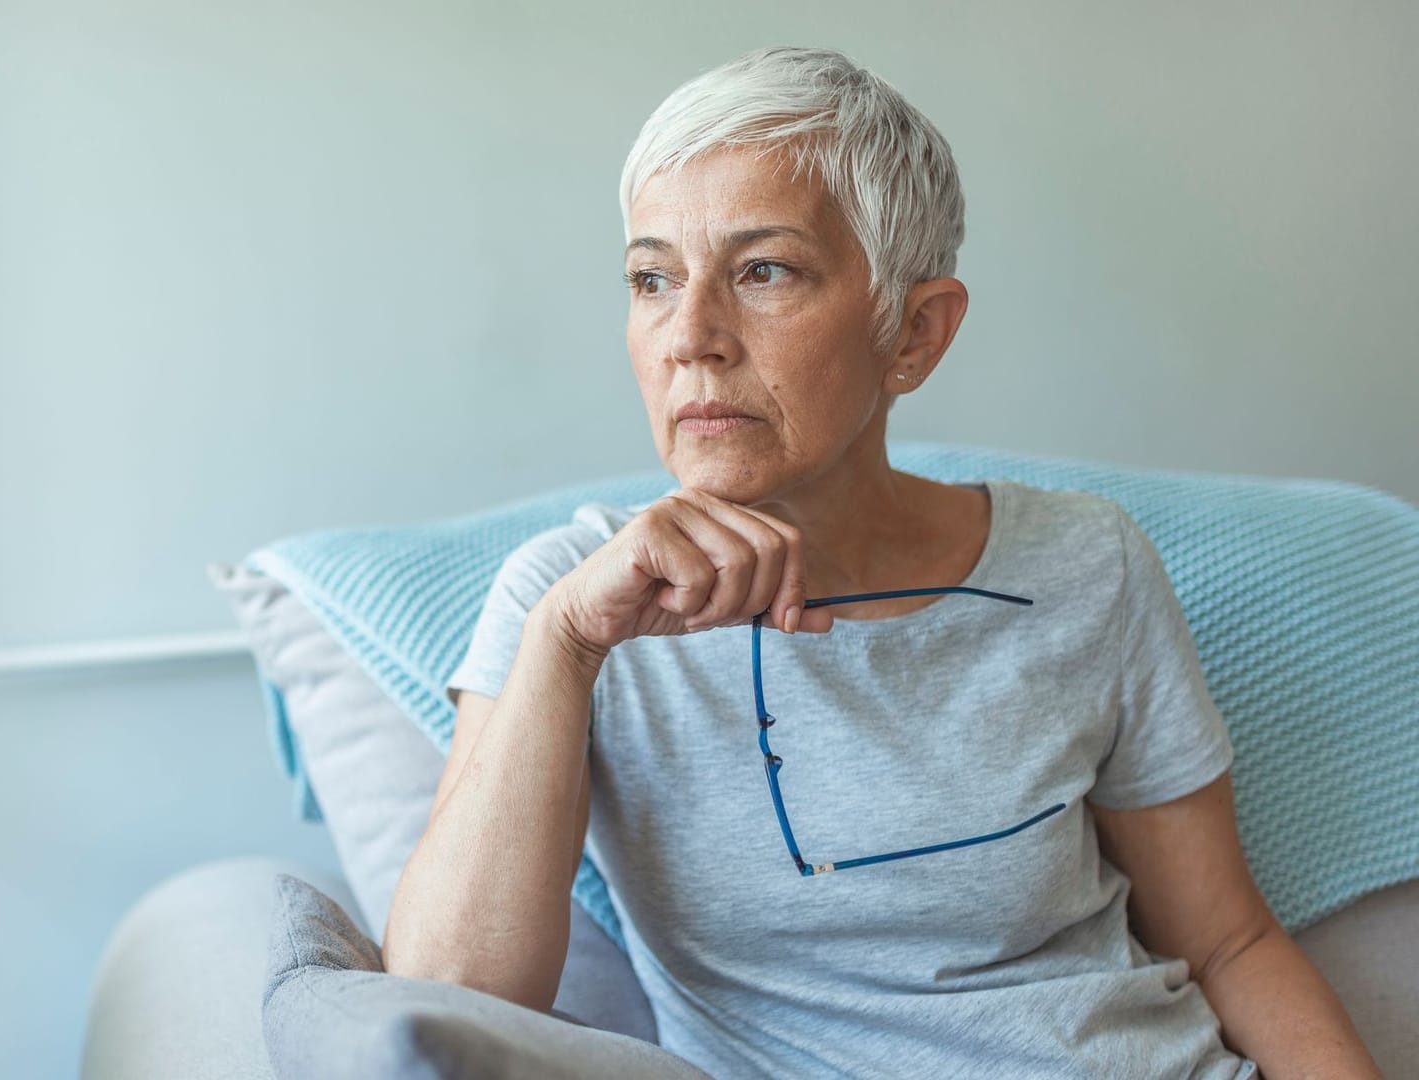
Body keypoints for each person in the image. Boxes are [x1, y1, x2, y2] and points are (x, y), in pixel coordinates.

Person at [382, 45, 1382, 1079]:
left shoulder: (1090, 563)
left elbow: (1229, 941)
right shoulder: (573, 601)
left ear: (913, 333)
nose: (691, 336)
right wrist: (566, 642)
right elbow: (446, 1007)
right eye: (652, 278)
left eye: (764, 270)